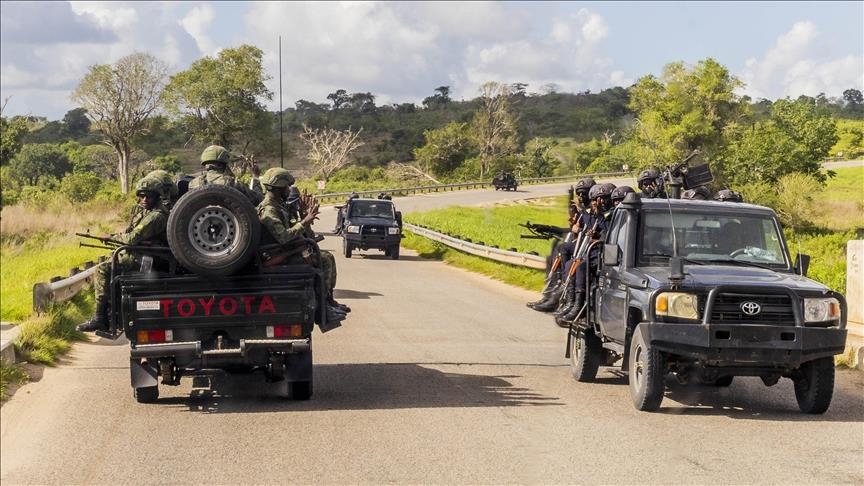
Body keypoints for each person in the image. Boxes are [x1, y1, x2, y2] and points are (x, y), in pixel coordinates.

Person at [77, 172, 172, 332]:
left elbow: (132, 238)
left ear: (157, 196)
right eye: (141, 196)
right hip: (143, 254)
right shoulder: (146, 212)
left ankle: (100, 319)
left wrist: (112, 237)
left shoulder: (157, 215)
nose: (144, 200)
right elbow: (130, 233)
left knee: (102, 269)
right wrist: (115, 238)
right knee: (111, 259)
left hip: (149, 258)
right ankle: (110, 314)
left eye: (148, 196)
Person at [256, 168, 348, 328]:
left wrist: (302, 215)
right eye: (286, 187)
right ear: (278, 188)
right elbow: (284, 237)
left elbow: (295, 230)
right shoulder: (269, 210)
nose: (288, 190)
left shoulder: (278, 206)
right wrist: (304, 221)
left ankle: (328, 302)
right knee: (324, 260)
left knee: (326, 257)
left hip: (285, 251)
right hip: (277, 256)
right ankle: (323, 309)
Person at [554, 182, 615, 325]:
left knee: (581, 266)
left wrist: (598, 217)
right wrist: (581, 212)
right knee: (570, 262)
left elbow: (607, 231)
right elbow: (590, 225)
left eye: (601, 199)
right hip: (593, 251)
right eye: (595, 200)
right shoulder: (597, 213)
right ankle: (571, 301)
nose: (597, 203)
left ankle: (578, 305)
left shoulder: (613, 214)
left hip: (603, 255)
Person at [189, 145, 263, 205]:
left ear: (205, 164)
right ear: (224, 164)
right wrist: (255, 177)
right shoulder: (232, 183)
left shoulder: (193, 184)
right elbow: (257, 199)